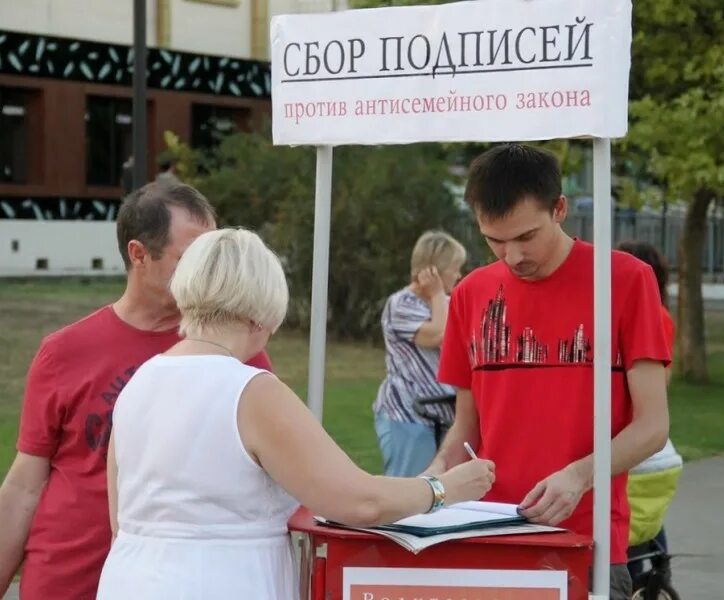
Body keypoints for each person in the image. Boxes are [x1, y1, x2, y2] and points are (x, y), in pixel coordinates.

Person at [96, 228, 496, 599]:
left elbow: (120, 518)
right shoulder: (252, 392)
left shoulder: (138, 384)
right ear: (261, 311)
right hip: (222, 582)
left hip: (128, 579)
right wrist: (444, 488)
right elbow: (358, 501)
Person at [0, 183, 273, 600]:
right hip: (67, 581)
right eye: (191, 258)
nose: (208, 273)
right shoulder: (64, 352)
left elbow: (274, 469)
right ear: (138, 254)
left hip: (173, 585)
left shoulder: (236, 349)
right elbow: (25, 484)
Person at [425, 144, 671, 600]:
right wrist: (435, 476)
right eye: (495, 240)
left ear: (559, 209)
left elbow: (653, 427)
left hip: (589, 542)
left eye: (526, 236)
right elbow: (466, 427)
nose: (512, 255)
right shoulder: (471, 294)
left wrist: (579, 476)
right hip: (489, 533)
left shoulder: (625, 280)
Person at [373, 230, 467, 476]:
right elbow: (439, 334)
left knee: (443, 490)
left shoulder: (447, 302)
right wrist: (437, 294)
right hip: (408, 414)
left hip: (444, 414)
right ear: (434, 270)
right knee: (409, 488)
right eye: (455, 268)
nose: (458, 275)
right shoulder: (401, 304)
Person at [616, 241, 683, 577]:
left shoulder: (648, 316)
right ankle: (658, 574)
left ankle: (648, 577)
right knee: (648, 519)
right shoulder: (661, 315)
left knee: (632, 521)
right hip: (656, 451)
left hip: (632, 437)